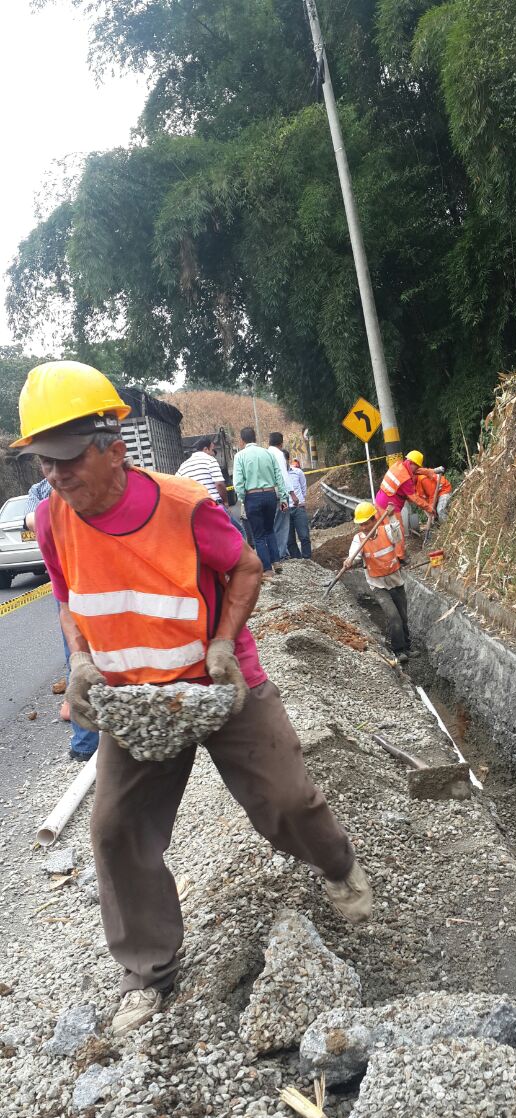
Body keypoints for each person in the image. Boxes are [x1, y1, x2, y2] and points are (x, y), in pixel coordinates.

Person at [13, 360, 372, 1036]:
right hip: (135, 701)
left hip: (217, 683)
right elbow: (66, 599)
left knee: (286, 800)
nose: (54, 475)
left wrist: (221, 643)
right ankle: (148, 971)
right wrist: (84, 658)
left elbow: (246, 565)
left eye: (66, 460)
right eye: (43, 462)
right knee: (115, 830)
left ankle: (338, 865)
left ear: (112, 449)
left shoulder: (182, 506)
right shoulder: (53, 520)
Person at [25, 476, 100, 761]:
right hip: (74, 577)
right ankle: (87, 743)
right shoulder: (43, 493)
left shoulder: (41, 493)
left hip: (76, 577)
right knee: (80, 660)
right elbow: (34, 521)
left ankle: (87, 743)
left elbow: (32, 521)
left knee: (79, 658)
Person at [344, 500, 410, 663]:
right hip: (378, 585)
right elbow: (354, 554)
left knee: (403, 616)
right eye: (361, 525)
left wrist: (392, 516)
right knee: (393, 616)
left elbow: (398, 536)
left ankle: (408, 646)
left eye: (366, 523)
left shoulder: (386, 531)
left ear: (374, 520)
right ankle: (398, 650)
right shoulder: (359, 539)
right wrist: (349, 560)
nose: (364, 528)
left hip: (395, 580)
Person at [232, 427, 288, 579]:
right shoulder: (268, 453)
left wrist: (243, 498)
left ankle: (267, 569)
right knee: (270, 529)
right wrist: (283, 497)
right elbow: (279, 476)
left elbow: (238, 482)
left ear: (242, 440)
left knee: (258, 535)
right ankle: (277, 561)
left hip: (252, 496)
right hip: (270, 494)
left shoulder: (240, 456)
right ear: (255, 438)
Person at [375, 449, 436, 534]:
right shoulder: (405, 478)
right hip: (390, 507)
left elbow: (416, 470)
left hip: (379, 501)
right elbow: (414, 498)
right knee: (397, 535)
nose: (417, 469)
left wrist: (431, 471)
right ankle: (397, 547)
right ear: (411, 463)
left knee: (380, 533)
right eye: (417, 466)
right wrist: (429, 508)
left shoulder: (399, 465)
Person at [177, 435, 228, 505]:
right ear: (206, 449)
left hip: (195, 508)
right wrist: (225, 502)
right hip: (213, 505)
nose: (213, 453)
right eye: (212, 450)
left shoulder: (183, 466)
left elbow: (177, 486)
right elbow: (219, 484)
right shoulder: (210, 460)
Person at [267, 431, 292, 558]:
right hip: (280, 494)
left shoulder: (265, 453)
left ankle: (275, 553)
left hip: (267, 494)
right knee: (281, 525)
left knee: (271, 525)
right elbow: (283, 476)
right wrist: (291, 494)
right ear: (281, 443)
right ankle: (280, 554)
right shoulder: (279, 454)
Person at [284, 450, 312, 560]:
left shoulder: (297, 472)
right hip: (285, 510)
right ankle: (297, 561)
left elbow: (303, 488)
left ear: (287, 459)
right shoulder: (276, 475)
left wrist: (301, 501)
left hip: (298, 508)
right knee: (289, 540)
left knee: (304, 536)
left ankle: (307, 560)